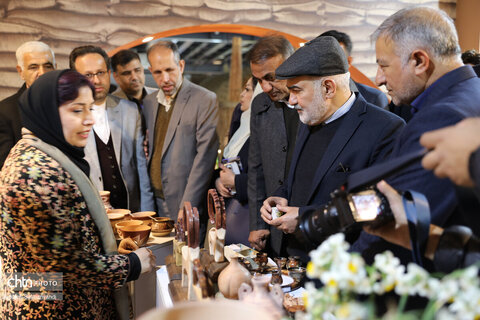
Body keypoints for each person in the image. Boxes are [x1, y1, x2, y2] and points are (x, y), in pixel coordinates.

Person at [0, 70, 155, 319]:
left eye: (90, 108)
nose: (89, 120)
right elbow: (63, 264)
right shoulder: (36, 173)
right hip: (50, 308)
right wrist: (132, 265)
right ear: (47, 112)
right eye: (76, 110)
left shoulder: (43, 153)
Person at [351, 7, 480, 264]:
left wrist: (329, 282)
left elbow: (400, 224)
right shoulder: (472, 90)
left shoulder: (443, 116)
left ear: (419, 61)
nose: (378, 79)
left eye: (383, 65)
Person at [259, 36, 405, 261]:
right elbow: (301, 182)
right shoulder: (309, 118)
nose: (292, 101)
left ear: (328, 88)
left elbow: (376, 206)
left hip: (338, 268)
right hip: (292, 260)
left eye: (297, 90)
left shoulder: (385, 129)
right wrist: (280, 197)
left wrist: (306, 218)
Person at [70, 45, 154, 213]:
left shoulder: (130, 110)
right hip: (91, 213)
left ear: (109, 73)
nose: (96, 80)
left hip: (129, 211)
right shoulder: (68, 116)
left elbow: (141, 168)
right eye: (88, 75)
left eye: (100, 72)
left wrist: (147, 213)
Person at [143, 40, 218, 224]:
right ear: (151, 70)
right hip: (155, 202)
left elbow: (205, 158)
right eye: (158, 72)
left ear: (181, 65)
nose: (165, 78)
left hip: (186, 203)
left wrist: (188, 204)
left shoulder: (204, 99)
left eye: (170, 70)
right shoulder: (149, 102)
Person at [247, 35, 299, 257]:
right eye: (258, 79)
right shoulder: (260, 105)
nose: (265, 87)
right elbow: (256, 169)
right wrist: (258, 223)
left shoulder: (314, 104)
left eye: (271, 77)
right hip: (274, 224)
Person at [215, 78, 262, 245]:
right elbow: (225, 162)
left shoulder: (263, 131)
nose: (242, 94)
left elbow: (268, 178)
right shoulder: (241, 124)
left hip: (251, 218)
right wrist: (220, 180)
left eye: (248, 90)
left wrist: (236, 181)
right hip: (232, 209)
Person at [0, 41, 56, 168]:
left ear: (55, 68)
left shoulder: (68, 104)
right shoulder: (5, 111)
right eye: (33, 67)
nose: (42, 72)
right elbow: (5, 166)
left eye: (48, 66)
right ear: (21, 72)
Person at [318, 30, 389, 109]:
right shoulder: (305, 98)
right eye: (321, 58)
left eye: (334, 59)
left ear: (348, 61)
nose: (326, 64)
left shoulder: (373, 99)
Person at [111, 50, 156, 157]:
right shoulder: (108, 107)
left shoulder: (160, 97)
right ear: (116, 77)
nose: (134, 77)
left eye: (137, 70)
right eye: (127, 73)